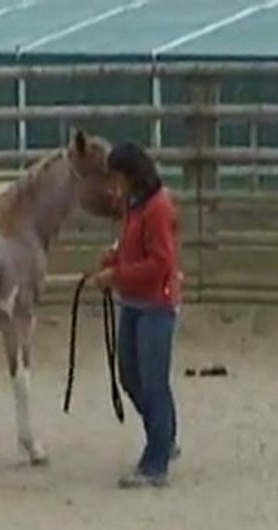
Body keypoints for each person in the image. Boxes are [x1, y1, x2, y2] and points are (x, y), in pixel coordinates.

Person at [91, 142, 182, 488]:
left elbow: (161, 262)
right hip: (133, 302)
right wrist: (115, 258)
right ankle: (164, 436)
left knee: (153, 380)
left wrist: (117, 276)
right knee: (130, 376)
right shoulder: (134, 205)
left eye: (117, 178)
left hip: (156, 305)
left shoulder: (158, 208)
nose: (115, 187)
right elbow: (133, 247)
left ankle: (155, 462)